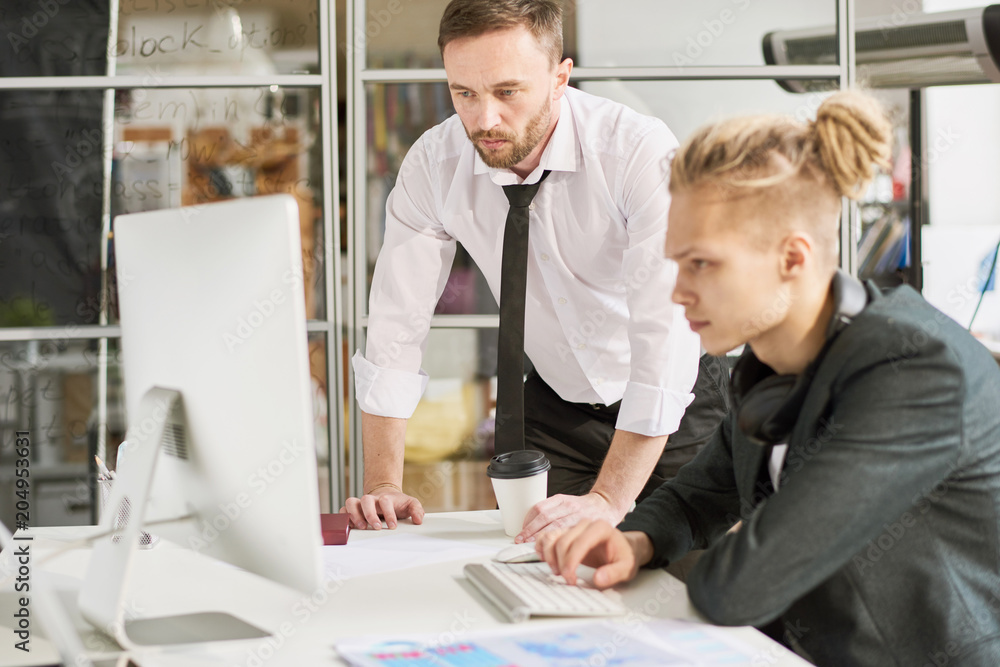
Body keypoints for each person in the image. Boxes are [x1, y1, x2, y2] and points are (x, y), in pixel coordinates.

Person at [536, 91, 1000, 666]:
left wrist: (729, 552)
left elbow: (739, 587)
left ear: (793, 259)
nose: (677, 290)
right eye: (675, 263)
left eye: (701, 263)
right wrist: (635, 541)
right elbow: (696, 497)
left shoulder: (915, 373)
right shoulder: (770, 365)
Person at [341, 0, 729, 542]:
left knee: (696, 588)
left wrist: (610, 499)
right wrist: (383, 482)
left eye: (507, 91)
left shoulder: (637, 152)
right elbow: (394, 329)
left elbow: (664, 342)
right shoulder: (434, 165)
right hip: (557, 406)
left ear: (559, 77)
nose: (484, 120)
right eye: (464, 94)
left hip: (678, 407)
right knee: (548, 570)